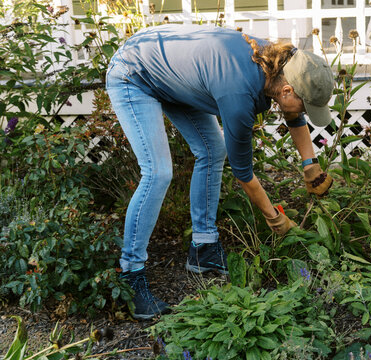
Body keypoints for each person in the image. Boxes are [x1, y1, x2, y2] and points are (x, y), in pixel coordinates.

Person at [105, 24, 334, 319]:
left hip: (171, 71)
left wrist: (309, 165)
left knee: (213, 151)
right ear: (287, 90)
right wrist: (275, 218)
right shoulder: (239, 93)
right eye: (306, 104)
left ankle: (203, 248)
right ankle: (130, 276)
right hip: (134, 72)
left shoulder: (279, 63)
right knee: (158, 171)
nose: (304, 111)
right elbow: (243, 173)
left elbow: (293, 113)